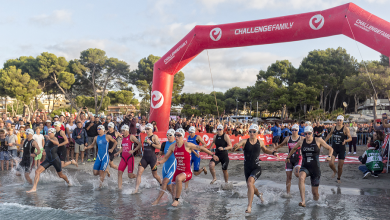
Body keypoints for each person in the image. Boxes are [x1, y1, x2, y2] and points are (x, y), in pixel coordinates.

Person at [156, 128, 218, 207]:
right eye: (176, 135)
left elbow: (201, 148)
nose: (176, 137)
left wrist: (213, 155)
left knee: (178, 179)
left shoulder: (187, 145)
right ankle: (176, 203)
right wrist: (160, 162)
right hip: (178, 171)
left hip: (187, 172)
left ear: (182, 136)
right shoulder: (172, 146)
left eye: (179, 135)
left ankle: (177, 200)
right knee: (173, 190)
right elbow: (165, 157)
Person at [233, 124, 278, 213]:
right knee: (251, 186)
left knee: (250, 183)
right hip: (247, 168)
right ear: (248, 132)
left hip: (256, 168)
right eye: (250, 131)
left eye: (254, 131)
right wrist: (236, 146)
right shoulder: (244, 141)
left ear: (257, 132)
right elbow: (238, 145)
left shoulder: (260, 142)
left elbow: (265, 150)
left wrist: (273, 153)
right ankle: (259, 195)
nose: (252, 133)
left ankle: (249, 207)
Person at [286, 126, 333, 207]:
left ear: (312, 133)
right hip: (305, 167)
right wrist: (288, 157)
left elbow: (330, 148)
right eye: (305, 134)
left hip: (315, 169)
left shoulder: (318, 140)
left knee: (315, 193)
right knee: (301, 178)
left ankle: (318, 204)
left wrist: (329, 156)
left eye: (309, 133)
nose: (307, 135)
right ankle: (303, 201)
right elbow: (293, 149)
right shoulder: (301, 141)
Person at [27, 128, 71, 193]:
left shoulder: (54, 138)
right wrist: (44, 151)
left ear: (53, 133)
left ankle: (68, 181)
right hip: (48, 160)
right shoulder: (47, 140)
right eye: (48, 132)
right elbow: (47, 148)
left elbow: (57, 143)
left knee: (60, 175)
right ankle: (34, 188)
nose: (48, 133)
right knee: (37, 171)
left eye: (50, 132)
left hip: (55, 160)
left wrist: (50, 139)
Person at [133, 123, 162, 193]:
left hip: (152, 158)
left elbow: (160, 147)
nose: (146, 130)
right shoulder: (146, 137)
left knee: (155, 175)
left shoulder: (154, 137)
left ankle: (161, 184)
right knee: (139, 173)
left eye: (148, 129)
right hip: (145, 158)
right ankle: (136, 189)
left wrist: (151, 143)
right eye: (145, 129)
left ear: (151, 129)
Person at [274, 124, 302, 195]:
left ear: (298, 130)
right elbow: (281, 144)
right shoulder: (288, 138)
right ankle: (288, 193)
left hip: (298, 158)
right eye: (293, 130)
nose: (294, 131)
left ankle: (302, 185)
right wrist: (274, 148)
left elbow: (310, 141)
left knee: (297, 174)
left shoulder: (302, 138)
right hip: (289, 159)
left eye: (295, 130)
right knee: (288, 177)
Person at [152, 129, 177, 205]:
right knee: (169, 187)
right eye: (167, 135)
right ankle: (174, 200)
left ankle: (157, 200)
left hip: (173, 167)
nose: (168, 137)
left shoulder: (176, 144)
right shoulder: (164, 144)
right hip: (165, 167)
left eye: (170, 135)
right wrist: (158, 158)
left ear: (173, 136)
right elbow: (161, 154)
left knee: (164, 181)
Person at [324, 115, 352, 184]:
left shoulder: (345, 129)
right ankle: (334, 171)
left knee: (340, 166)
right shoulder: (333, 128)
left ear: (342, 121)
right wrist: (324, 142)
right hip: (334, 148)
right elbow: (329, 134)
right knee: (330, 163)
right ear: (336, 121)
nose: (339, 121)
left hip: (342, 149)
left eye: (340, 120)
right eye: (338, 120)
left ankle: (338, 178)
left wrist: (345, 141)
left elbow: (350, 138)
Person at [116, 125, 142, 189]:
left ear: (127, 130)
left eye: (123, 131)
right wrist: (117, 153)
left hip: (130, 158)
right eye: (122, 131)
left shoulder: (131, 137)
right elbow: (123, 147)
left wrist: (134, 150)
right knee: (119, 173)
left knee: (130, 176)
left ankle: (138, 177)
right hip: (123, 158)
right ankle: (119, 189)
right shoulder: (123, 137)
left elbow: (140, 144)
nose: (122, 132)